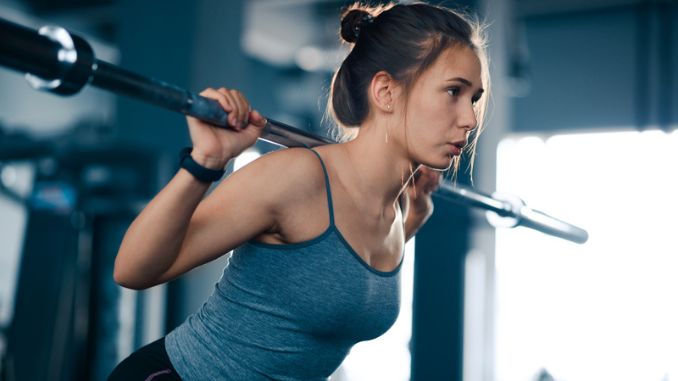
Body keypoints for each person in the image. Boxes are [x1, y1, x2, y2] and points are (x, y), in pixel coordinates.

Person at [108, 1, 488, 380]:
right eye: (453, 91)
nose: (469, 118)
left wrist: (414, 217)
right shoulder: (298, 177)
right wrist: (204, 162)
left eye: (473, 98)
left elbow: (340, 277)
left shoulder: (398, 213)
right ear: (386, 91)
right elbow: (132, 270)